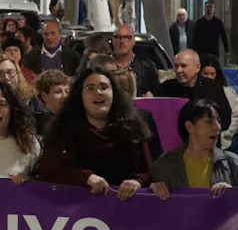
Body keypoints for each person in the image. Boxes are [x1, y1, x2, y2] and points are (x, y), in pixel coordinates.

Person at [38, 66, 153, 199]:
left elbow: (148, 172)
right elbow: (48, 172)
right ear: (80, 96)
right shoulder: (62, 130)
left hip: (124, 209)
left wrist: (137, 181)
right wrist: (85, 177)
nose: (98, 92)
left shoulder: (133, 128)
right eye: (90, 88)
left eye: (104, 87)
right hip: (76, 212)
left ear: (113, 93)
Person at [149, 99, 238, 198]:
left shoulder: (233, 164)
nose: (217, 127)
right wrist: (152, 191)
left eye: (218, 121)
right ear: (189, 127)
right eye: (209, 122)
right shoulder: (164, 164)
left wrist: (235, 194)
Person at [155, 49, 232, 131]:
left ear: (197, 67)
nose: (178, 70)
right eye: (176, 66)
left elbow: (225, 120)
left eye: (183, 66)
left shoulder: (213, 88)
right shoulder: (166, 88)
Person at [200, 55, 238, 149]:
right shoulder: (197, 90)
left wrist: (223, 134)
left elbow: (235, 115)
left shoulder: (226, 91)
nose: (209, 77)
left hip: (222, 144)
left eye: (212, 74)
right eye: (205, 73)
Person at [112, 24, 160, 96]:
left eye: (127, 37)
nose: (122, 41)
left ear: (133, 41)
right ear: (112, 40)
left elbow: (158, 94)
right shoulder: (103, 65)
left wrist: (151, 97)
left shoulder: (147, 66)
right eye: (118, 37)